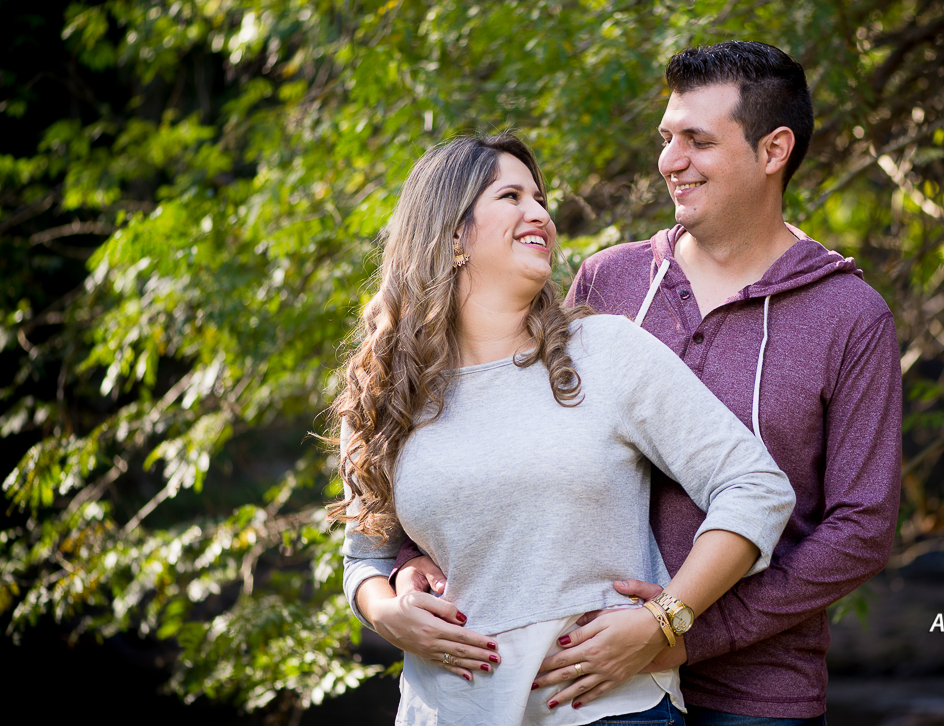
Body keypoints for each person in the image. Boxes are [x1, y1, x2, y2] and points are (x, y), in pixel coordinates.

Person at [388, 42, 903, 725]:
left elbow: (860, 530)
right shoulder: (611, 283)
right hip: (591, 685)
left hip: (758, 691)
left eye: (696, 139)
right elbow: (503, 435)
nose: (669, 161)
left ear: (773, 150)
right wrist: (405, 562)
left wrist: (675, 632)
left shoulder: (849, 315)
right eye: (666, 137)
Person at [332, 133, 795, 726]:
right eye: (511, 196)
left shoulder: (604, 352)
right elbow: (363, 558)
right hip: (447, 710)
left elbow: (755, 487)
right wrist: (386, 613)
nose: (541, 213)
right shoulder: (384, 386)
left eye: (540, 197)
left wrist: (666, 618)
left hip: (609, 710)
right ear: (451, 235)